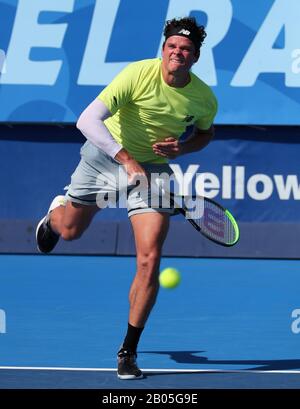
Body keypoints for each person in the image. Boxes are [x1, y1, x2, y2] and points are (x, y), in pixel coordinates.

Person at [36, 16, 217, 380]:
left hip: (153, 170)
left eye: (186, 49)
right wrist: (127, 160)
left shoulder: (203, 97)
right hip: (106, 156)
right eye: (172, 47)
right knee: (71, 231)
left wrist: (181, 148)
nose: (177, 53)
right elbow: (87, 120)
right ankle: (57, 213)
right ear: (163, 50)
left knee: (149, 259)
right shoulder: (137, 74)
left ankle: (127, 351)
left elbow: (204, 134)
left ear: (195, 58)